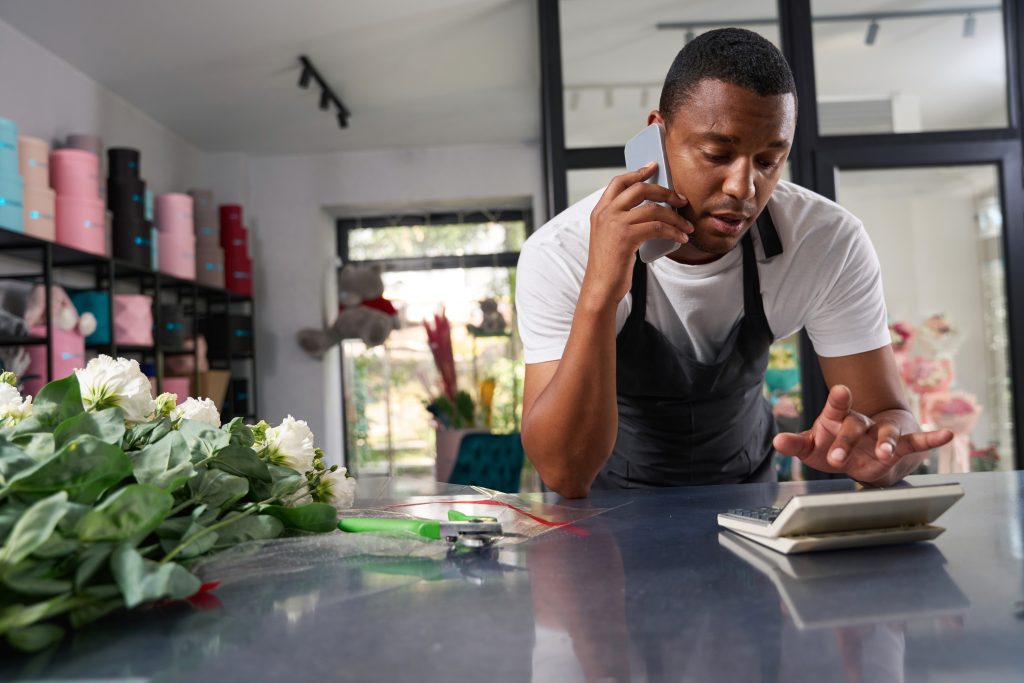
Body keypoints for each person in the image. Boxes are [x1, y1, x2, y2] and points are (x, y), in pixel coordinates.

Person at [515, 28, 953, 498]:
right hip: (608, 512)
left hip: (751, 502)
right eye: (717, 154)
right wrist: (599, 293)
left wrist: (883, 454)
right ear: (657, 135)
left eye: (768, 161)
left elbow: (886, 417)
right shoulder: (561, 252)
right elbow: (565, 474)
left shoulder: (826, 241)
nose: (743, 188)